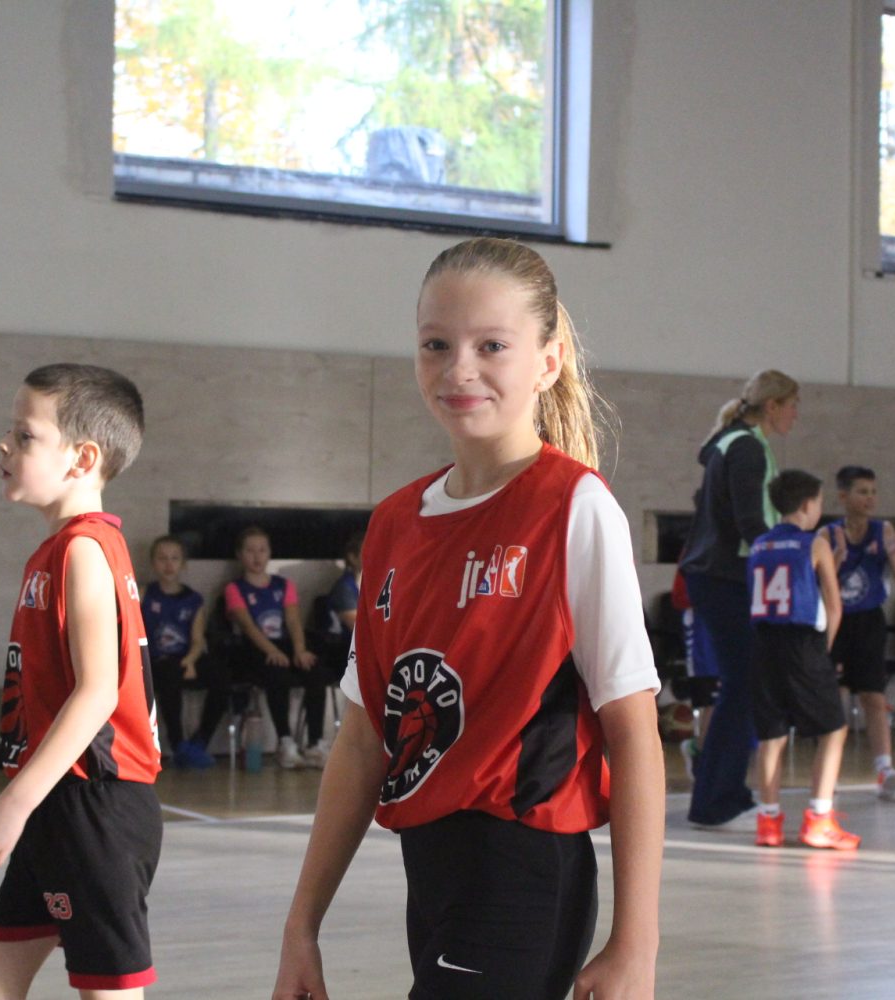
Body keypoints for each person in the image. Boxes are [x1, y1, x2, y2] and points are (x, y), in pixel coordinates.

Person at [273, 237, 663, 1000]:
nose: (459, 369)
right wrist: (301, 925)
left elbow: (634, 732)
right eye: (436, 344)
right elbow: (363, 739)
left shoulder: (574, 508)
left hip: (523, 868)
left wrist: (636, 943)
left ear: (547, 362)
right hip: (431, 870)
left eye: (492, 346)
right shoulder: (394, 523)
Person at [0, 363, 162, 997]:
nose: (5, 445)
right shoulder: (59, 548)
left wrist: (13, 806)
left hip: (95, 807)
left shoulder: (84, 550)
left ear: (82, 458)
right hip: (57, 800)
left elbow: (98, 693)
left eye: (25, 435)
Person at [679, 369, 800, 829]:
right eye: (792, 405)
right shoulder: (746, 447)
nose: (795, 415)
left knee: (742, 685)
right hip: (725, 577)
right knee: (744, 685)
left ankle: (720, 796)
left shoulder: (734, 442)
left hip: (716, 575)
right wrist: (790, 555)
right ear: (772, 405)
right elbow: (750, 522)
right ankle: (717, 803)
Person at [749, 470, 858, 850]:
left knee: (772, 735)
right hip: (802, 642)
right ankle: (819, 818)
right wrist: (822, 650)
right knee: (833, 729)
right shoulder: (815, 543)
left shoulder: (759, 544)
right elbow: (834, 605)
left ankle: (768, 822)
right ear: (808, 504)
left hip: (762, 643)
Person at [820, 465, 895, 798]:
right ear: (843, 496)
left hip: (870, 621)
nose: (870, 498)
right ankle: (827, 772)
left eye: (873, 492)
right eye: (862, 492)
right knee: (836, 696)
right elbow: (819, 581)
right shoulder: (827, 534)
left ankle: (884, 769)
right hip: (836, 620)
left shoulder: (882, 530)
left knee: (874, 695)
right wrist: (835, 558)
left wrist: (893, 552)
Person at [225, 525, 331, 769]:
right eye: (250, 550)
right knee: (277, 674)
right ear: (240, 555)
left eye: (262, 550)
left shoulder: (284, 585)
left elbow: (293, 621)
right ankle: (285, 741)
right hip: (255, 648)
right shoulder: (235, 589)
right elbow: (248, 626)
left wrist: (300, 650)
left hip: (285, 644)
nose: (257, 556)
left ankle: (315, 742)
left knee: (316, 672)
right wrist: (271, 651)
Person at [143, 535, 231, 769]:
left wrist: (190, 661)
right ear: (153, 563)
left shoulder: (193, 599)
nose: (168, 564)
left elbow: (198, 639)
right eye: (162, 558)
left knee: (222, 678)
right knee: (169, 677)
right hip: (157, 660)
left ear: (183, 564)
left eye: (174, 558)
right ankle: (178, 744)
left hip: (186, 656)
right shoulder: (144, 594)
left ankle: (201, 741)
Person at [318, 530, 364, 681]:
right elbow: (358, 628)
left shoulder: (379, 585)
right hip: (339, 649)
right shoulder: (345, 587)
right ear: (352, 557)